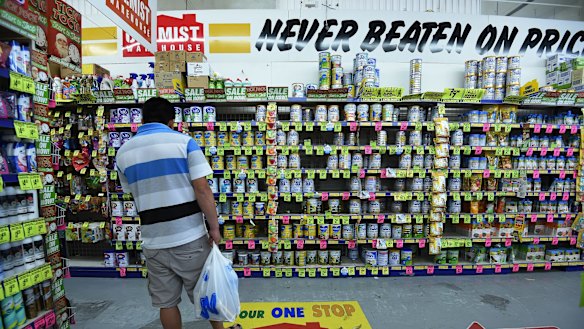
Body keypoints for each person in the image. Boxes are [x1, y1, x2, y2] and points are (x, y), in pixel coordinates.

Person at [115, 97, 231, 329]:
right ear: (171, 121)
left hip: (153, 240)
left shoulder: (123, 152)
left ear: (142, 119)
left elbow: (133, 193)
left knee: (166, 302)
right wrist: (215, 227)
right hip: (189, 237)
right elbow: (203, 190)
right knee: (205, 291)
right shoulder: (184, 142)